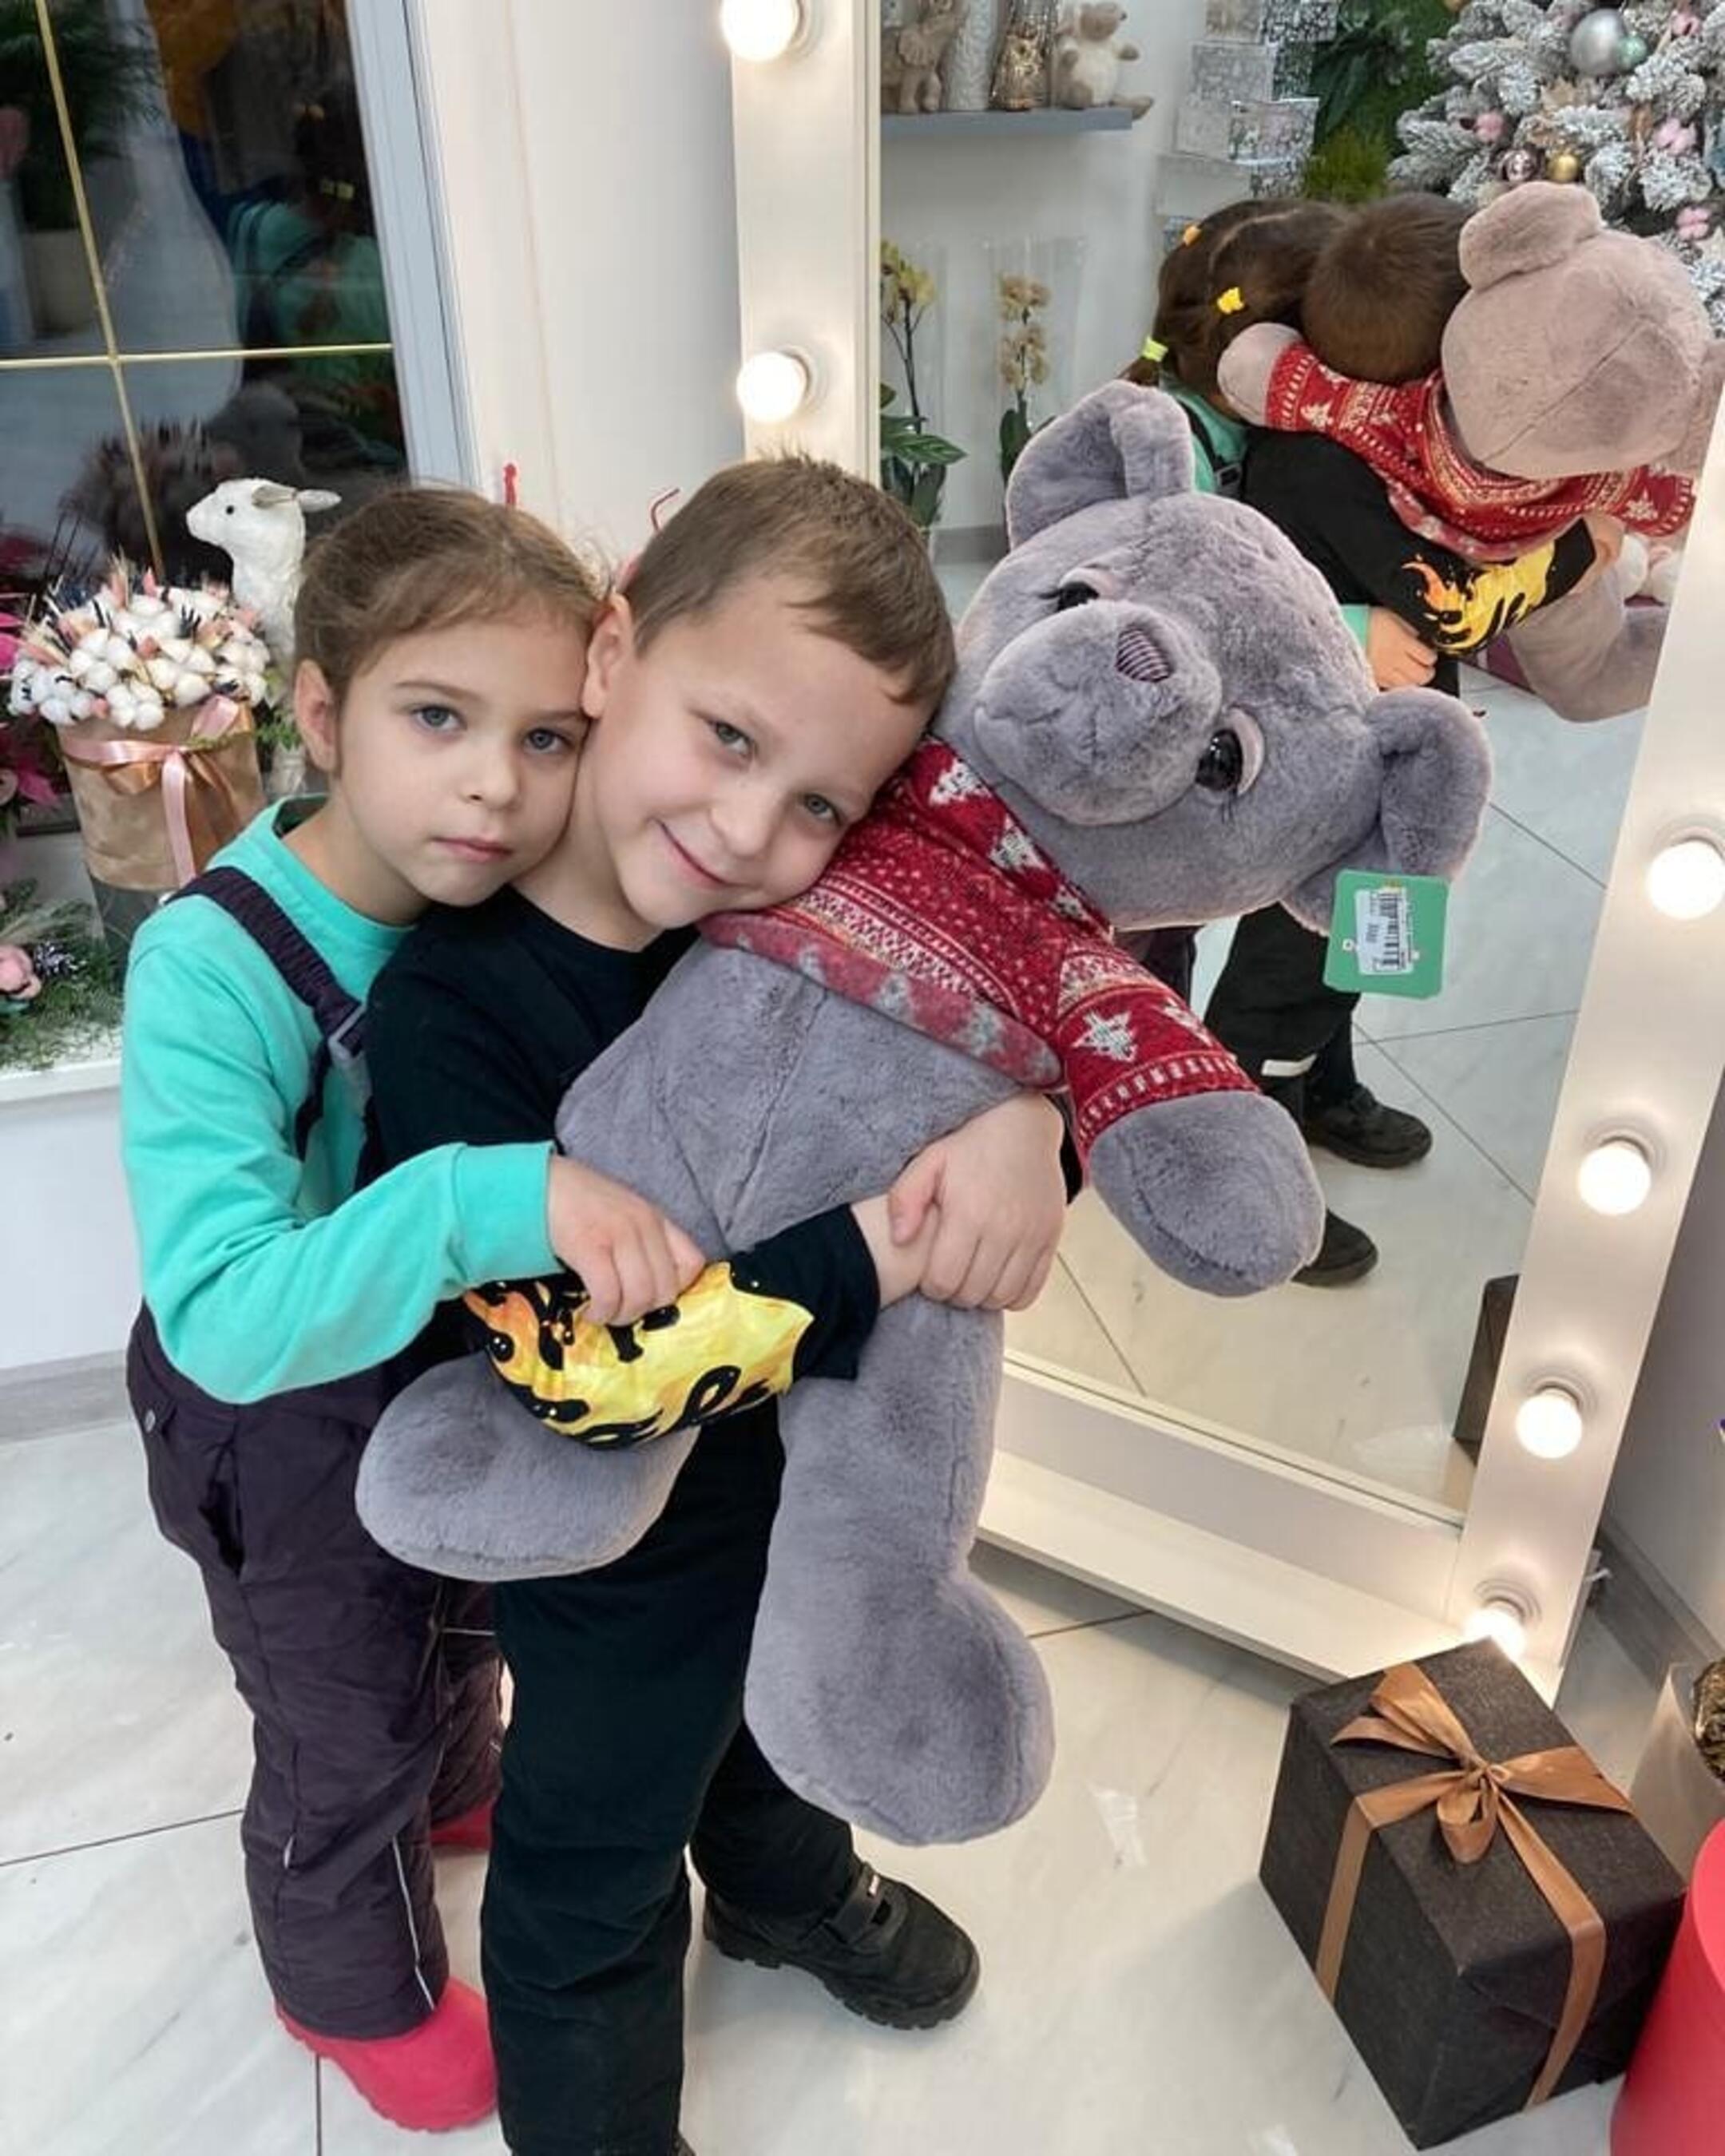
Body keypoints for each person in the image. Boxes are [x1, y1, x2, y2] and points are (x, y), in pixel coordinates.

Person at [364, 455, 1072, 2156]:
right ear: (616, 654)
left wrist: (1029, 1125)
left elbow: (990, 1025)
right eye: (729, 739)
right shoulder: (457, 1011)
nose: (753, 832)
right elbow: (583, 1377)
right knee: (596, 1855)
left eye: (821, 801)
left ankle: (778, 1884)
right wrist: (880, 1252)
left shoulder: (813, 930)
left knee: (776, 1719)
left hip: (803, 1487)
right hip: (615, 1553)